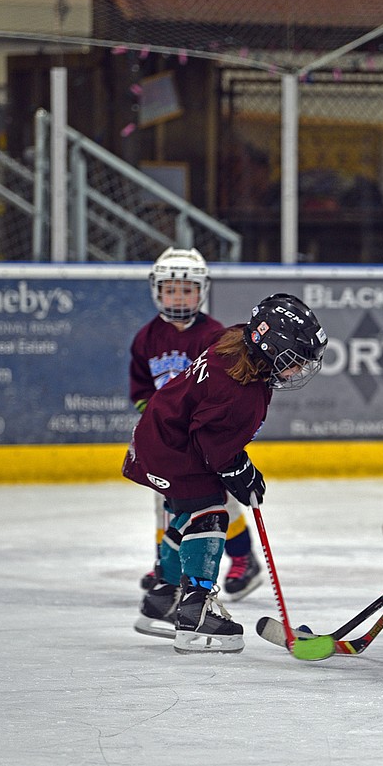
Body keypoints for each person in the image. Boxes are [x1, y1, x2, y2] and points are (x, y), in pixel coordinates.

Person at [124, 293, 327, 654]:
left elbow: (211, 435)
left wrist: (238, 466)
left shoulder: (237, 342)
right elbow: (213, 445)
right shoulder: (239, 391)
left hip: (161, 436)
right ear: (272, 348)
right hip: (173, 448)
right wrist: (241, 471)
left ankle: (162, 597)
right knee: (210, 516)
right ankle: (195, 611)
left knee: (188, 513)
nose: (297, 370)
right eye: (295, 361)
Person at [129, 247, 264, 602]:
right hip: (172, 439)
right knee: (166, 502)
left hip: (203, 437)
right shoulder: (146, 338)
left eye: (186, 289)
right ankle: (167, 564)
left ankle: (242, 558)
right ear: (157, 290)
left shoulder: (214, 335)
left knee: (220, 501)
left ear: (201, 291)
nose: (178, 296)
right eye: (171, 289)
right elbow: (141, 387)